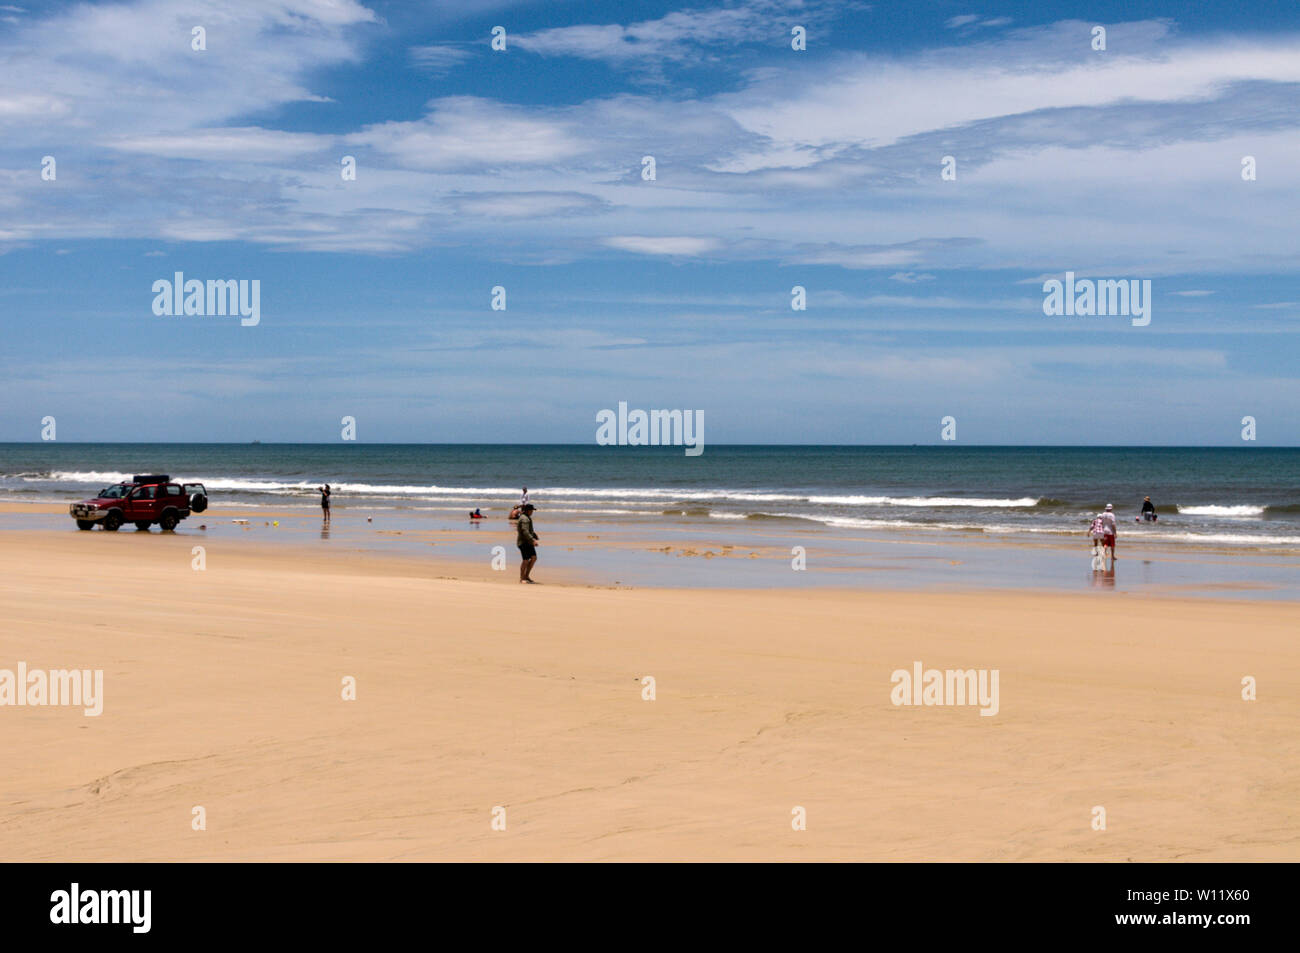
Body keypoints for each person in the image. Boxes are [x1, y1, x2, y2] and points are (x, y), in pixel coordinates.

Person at [516, 503, 539, 583]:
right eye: (532, 510)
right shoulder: (524, 519)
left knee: (533, 558)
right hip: (523, 542)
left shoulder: (526, 517)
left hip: (528, 542)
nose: (532, 512)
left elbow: (528, 530)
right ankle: (522, 578)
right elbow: (525, 531)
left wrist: (534, 535)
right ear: (528, 511)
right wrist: (533, 540)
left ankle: (526, 576)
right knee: (525, 560)